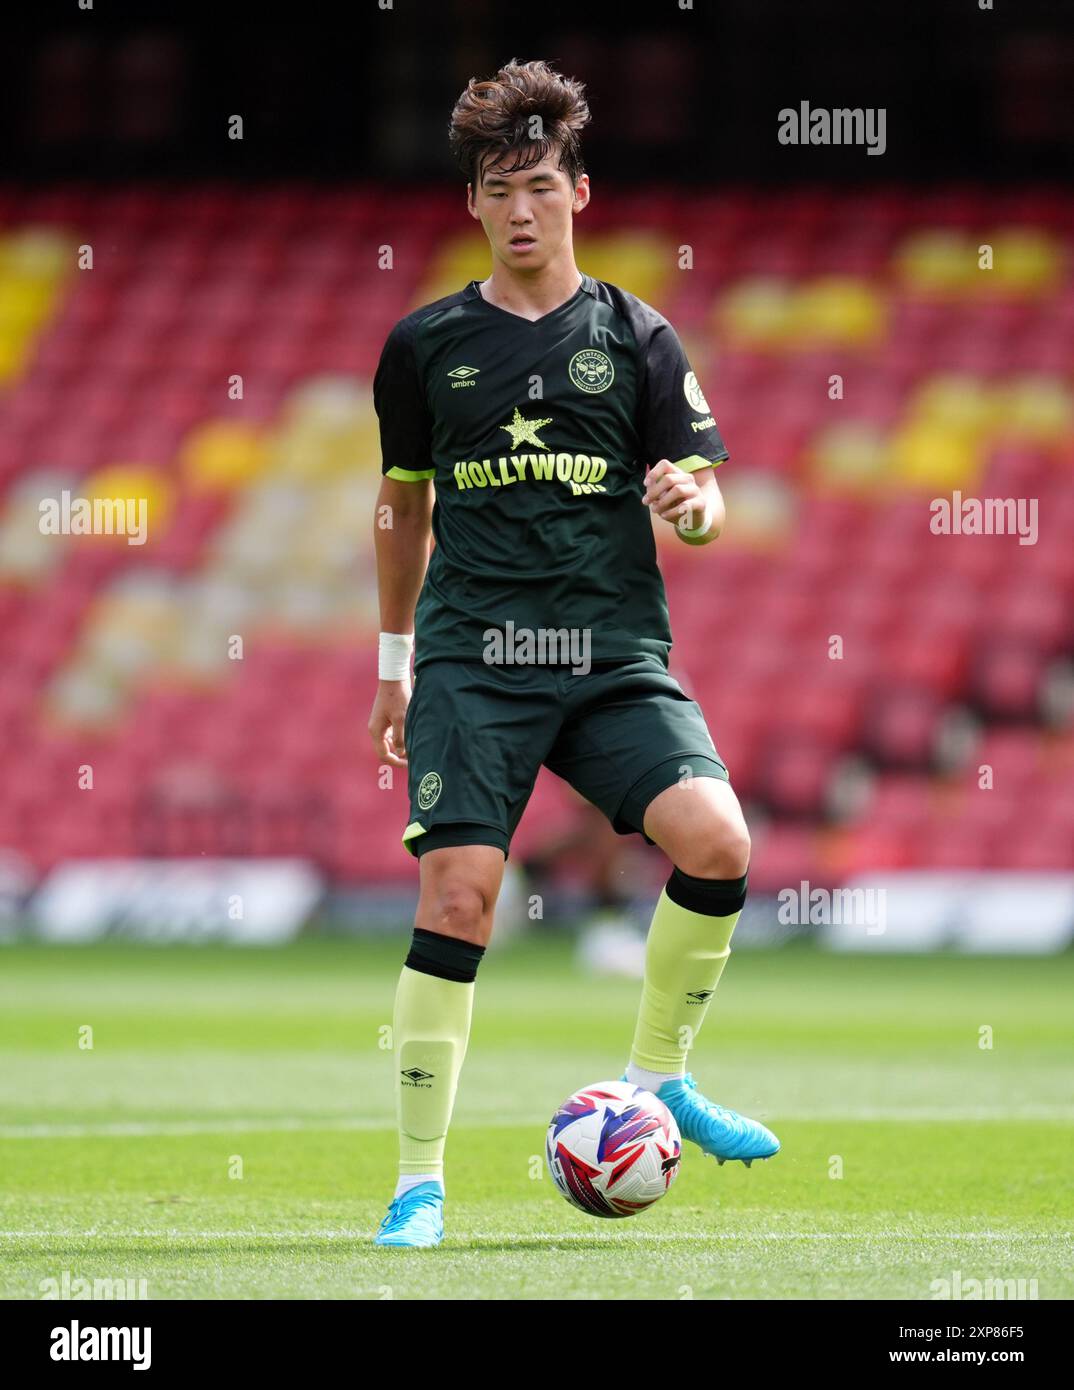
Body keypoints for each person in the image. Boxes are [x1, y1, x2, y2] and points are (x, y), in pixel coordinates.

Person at [368, 58, 779, 1248]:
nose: (523, 206)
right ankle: (418, 1183)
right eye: (501, 187)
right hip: (473, 661)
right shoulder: (426, 346)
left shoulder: (637, 334)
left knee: (720, 840)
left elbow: (705, 497)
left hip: (609, 653)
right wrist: (393, 665)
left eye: (542, 181)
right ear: (475, 206)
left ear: (578, 192)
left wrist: (692, 506)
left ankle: (660, 1079)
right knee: (461, 897)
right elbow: (401, 507)